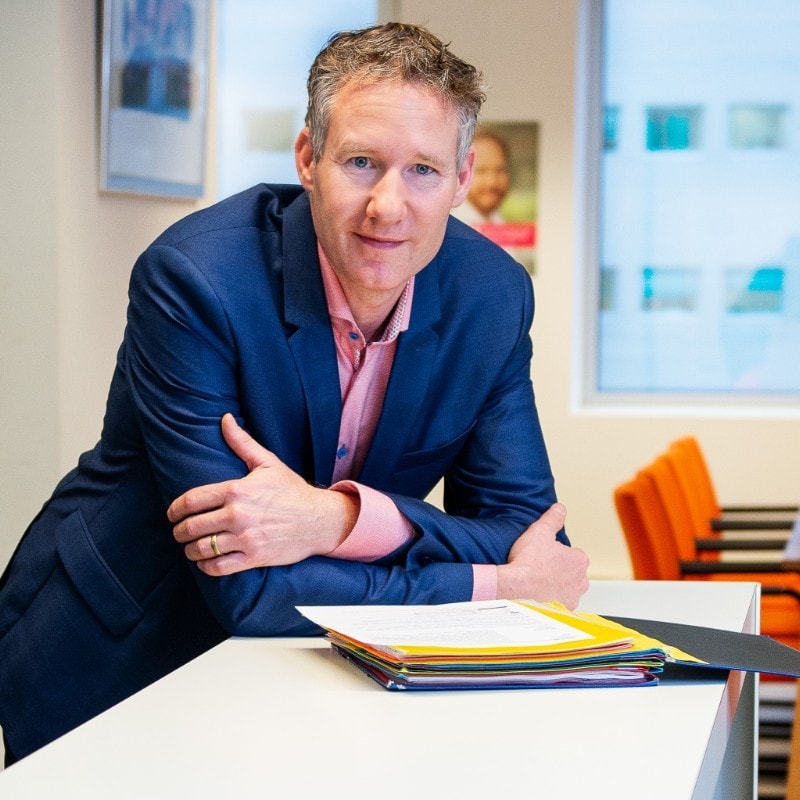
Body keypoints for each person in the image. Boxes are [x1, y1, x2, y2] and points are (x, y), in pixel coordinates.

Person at [0, 22, 589, 764]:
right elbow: (248, 589)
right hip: (117, 654)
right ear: (308, 157)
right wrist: (496, 585)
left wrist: (334, 519)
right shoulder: (198, 280)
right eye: (362, 162)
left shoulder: (491, 296)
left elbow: (527, 531)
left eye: (423, 170)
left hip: (309, 672)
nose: (388, 205)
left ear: (463, 178)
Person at [451, 126, 511, 225]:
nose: (492, 182)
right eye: (481, 171)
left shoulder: (499, 222)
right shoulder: (451, 227)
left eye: (499, 170)